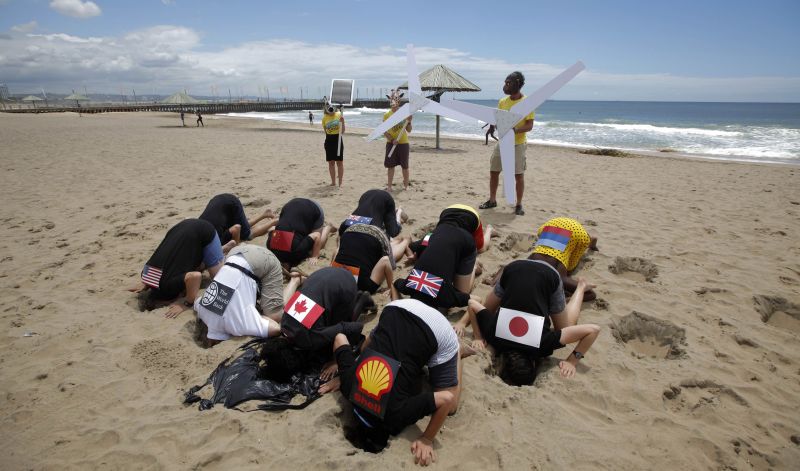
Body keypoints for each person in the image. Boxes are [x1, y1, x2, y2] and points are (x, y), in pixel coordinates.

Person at [319, 298, 461, 465]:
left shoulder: (396, 415)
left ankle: (457, 352)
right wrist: (344, 373)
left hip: (439, 329)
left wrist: (427, 439)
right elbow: (340, 338)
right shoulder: (349, 385)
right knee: (371, 348)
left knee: (452, 407)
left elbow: (447, 399)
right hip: (398, 307)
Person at [458, 259, 600, 385]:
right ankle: (580, 288)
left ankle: (581, 287)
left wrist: (572, 361)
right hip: (516, 268)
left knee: (565, 328)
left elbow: (593, 330)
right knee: (488, 311)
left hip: (536, 272)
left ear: (534, 362)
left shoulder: (543, 343)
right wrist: (479, 336)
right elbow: (472, 304)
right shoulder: (495, 336)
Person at [262, 267, 373, 381]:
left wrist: (336, 361)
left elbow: (353, 327)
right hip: (323, 274)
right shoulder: (284, 321)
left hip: (345, 282)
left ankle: (362, 300)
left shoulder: (310, 337)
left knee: (341, 326)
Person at [394, 205, 491, 309]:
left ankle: (489, 230)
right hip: (445, 219)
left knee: (480, 249)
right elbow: (395, 283)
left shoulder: (446, 297)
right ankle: (471, 266)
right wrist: (414, 256)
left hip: (470, 220)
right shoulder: (408, 286)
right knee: (421, 246)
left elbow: (474, 299)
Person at [194, 244, 292, 347]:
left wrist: (256, 316)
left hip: (264, 260)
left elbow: (276, 328)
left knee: (274, 316)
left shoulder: (236, 325)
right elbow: (196, 300)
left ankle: (295, 281)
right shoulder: (202, 308)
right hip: (235, 252)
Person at [128, 218, 224, 318]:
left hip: (205, 231)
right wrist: (144, 283)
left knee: (218, 278)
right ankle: (211, 255)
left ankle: (219, 251)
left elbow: (196, 276)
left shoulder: (169, 286)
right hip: (180, 228)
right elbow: (153, 266)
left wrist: (186, 303)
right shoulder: (146, 275)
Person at [479, 71, 534, 216]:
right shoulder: (503, 101)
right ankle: (492, 200)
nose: (505, 85)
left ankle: (519, 204)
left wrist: (514, 130)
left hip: (518, 144)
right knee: (494, 171)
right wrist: (492, 125)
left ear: (517, 83)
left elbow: (529, 126)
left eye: (508, 83)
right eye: (505, 82)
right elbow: (498, 118)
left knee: (518, 175)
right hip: (502, 143)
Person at [333, 223, 409, 298]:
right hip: (350, 231)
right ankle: (404, 240)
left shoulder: (366, 287)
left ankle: (404, 240)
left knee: (390, 260)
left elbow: (385, 260)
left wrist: (390, 287)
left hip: (376, 235)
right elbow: (337, 251)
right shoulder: (333, 279)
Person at [531, 217, 599, 301]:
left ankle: (591, 240)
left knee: (570, 269)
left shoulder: (560, 278)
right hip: (551, 225)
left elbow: (591, 294)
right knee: (565, 247)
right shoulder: (527, 263)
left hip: (577, 232)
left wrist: (566, 300)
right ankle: (592, 240)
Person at [265, 198, 334, 269]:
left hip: (314, 208)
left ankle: (328, 227)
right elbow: (271, 230)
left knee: (317, 246)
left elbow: (317, 235)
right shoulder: (270, 246)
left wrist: (314, 256)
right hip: (291, 205)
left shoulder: (297, 251)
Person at [199, 193, 275, 253]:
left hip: (232, 204)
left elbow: (237, 228)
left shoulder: (217, 239)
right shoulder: (200, 230)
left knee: (246, 235)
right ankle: (265, 215)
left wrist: (237, 248)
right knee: (243, 227)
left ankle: (273, 222)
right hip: (219, 202)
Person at [337, 189, 405, 238]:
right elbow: (393, 233)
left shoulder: (347, 224)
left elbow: (341, 230)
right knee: (392, 229)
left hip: (367, 195)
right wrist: (398, 214)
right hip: (384, 198)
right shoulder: (374, 229)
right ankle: (399, 211)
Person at [383, 89, 412, 191]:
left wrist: (409, 122)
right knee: (390, 166)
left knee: (405, 166)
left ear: (399, 101)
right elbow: (384, 131)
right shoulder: (387, 115)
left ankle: (406, 186)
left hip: (403, 143)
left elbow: (409, 130)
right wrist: (391, 140)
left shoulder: (405, 114)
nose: (393, 102)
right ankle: (389, 186)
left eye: (395, 100)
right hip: (391, 144)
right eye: (392, 100)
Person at [322, 101, 345, 187]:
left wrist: (342, 122)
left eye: (331, 106)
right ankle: (333, 182)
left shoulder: (339, 114)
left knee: (339, 162)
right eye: (328, 107)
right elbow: (326, 132)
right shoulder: (324, 118)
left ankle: (340, 183)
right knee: (331, 163)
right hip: (329, 140)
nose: (330, 108)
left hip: (338, 139)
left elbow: (342, 131)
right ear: (326, 108)